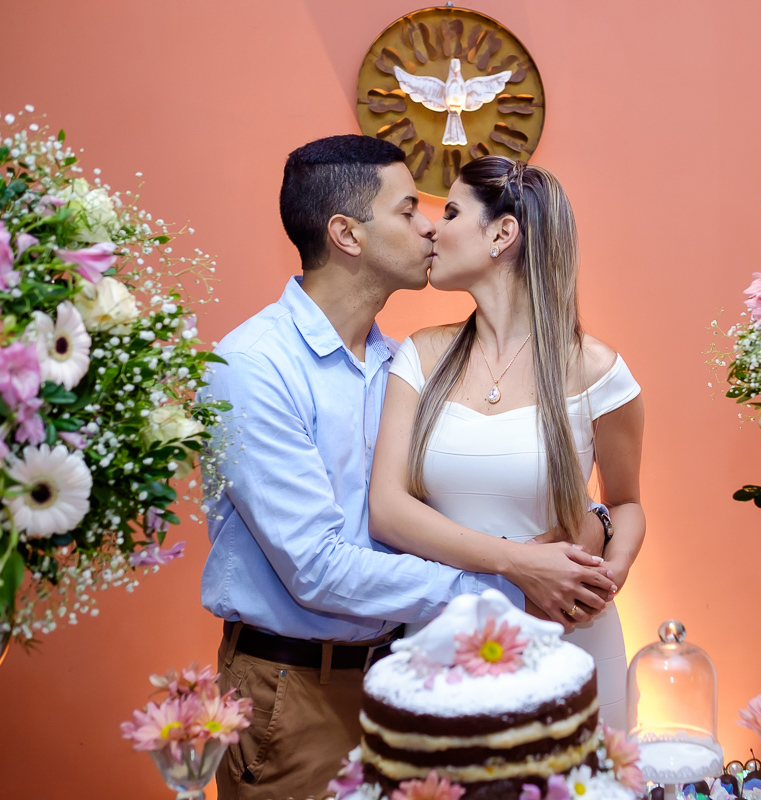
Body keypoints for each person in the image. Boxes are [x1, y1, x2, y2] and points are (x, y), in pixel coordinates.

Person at [201, 136, 617, 800]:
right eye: (407, 211)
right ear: (347, 234)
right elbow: (316, 568)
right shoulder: (253, 368)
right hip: (297, 690)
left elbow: (445, 504)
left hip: (410, 671)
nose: (429, 224)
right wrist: (516, 581)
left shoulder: (401, 363)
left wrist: (590, 521)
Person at [369, 156, 646, 728]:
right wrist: (521, 565)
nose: (431, 228)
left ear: (502, 233)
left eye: (449, 211)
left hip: (568, 639)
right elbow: (387, 511)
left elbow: (625, 503)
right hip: (444, 642)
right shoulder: (420, 356)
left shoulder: (599, 371)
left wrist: (605, 577)